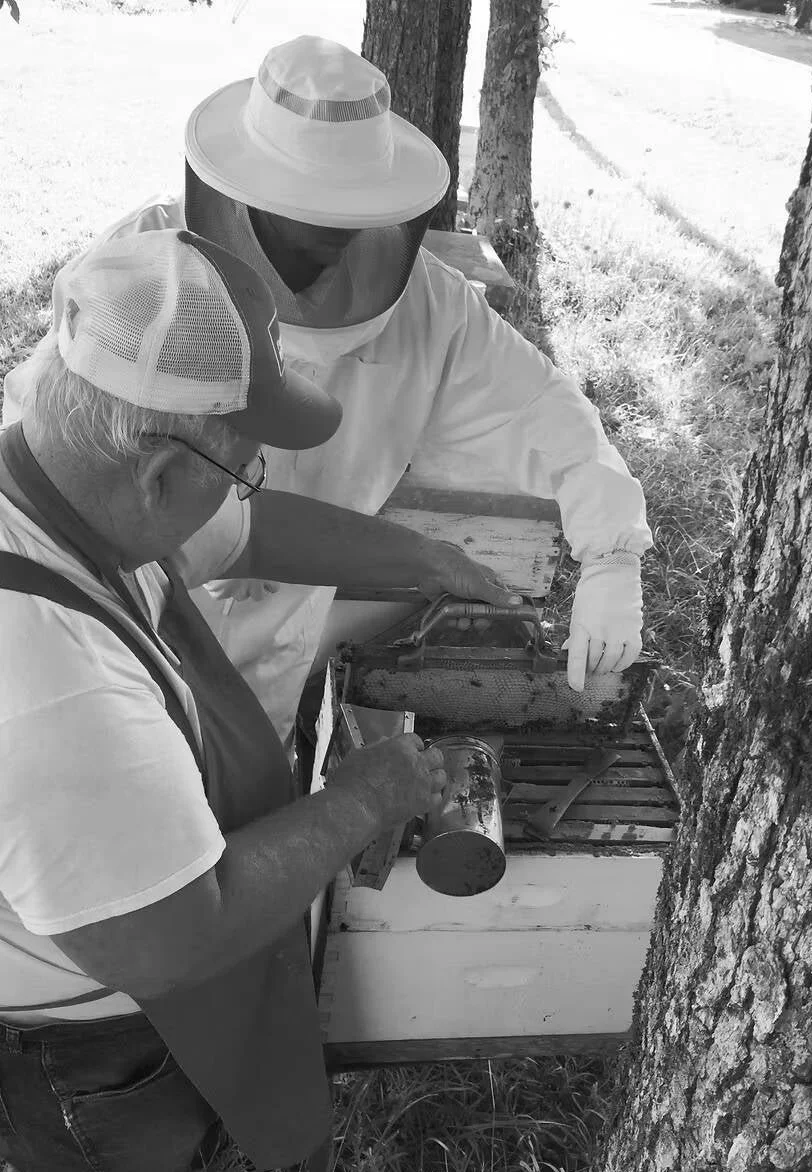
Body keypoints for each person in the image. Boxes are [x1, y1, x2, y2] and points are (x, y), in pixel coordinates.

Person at [0, 228, 519, 1172]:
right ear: (157, 476)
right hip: (95, 1053)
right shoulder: (50, 688)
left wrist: (427, 561)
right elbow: (174, 940)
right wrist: (371, 793)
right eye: (245, 465)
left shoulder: (56, 470)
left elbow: (243, 531)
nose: (245, 492)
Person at [3, 35, 653, 744]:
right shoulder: (147, 273)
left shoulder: (432, 308)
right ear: (240, 195)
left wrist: (612, 554)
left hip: (290, 630)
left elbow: (546, 412)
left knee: (252, 782)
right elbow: (54, 455)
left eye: (347, 226)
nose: (328, 250)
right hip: (121, 629)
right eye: (306, 226)